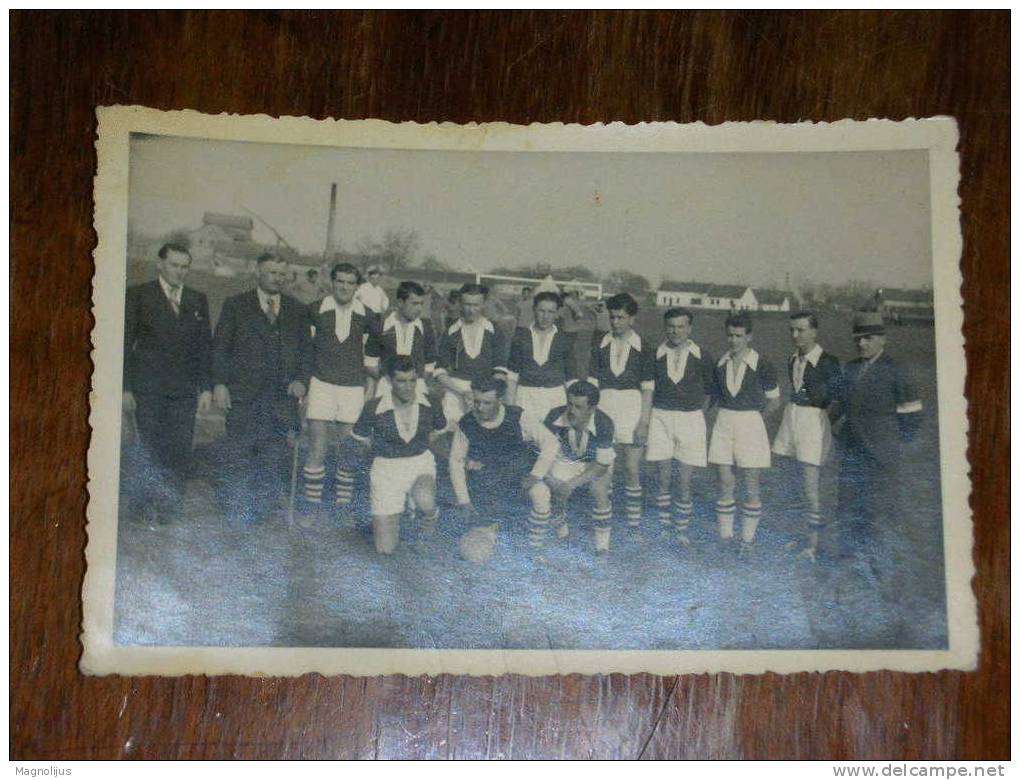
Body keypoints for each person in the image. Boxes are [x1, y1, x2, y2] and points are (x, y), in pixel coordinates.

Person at [211, 252, 313, 525]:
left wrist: (302, 380)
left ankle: (262, 510)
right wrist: (220, 383)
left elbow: (306, 353)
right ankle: (237, 509)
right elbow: (220, 348)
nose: (277, 278)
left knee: (272, 455)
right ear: (258, 272)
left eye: (282, 274)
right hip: (243, 396)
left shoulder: (297, 310)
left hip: (280, 400)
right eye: (271, 273)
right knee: (239, 453)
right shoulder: (236, 305)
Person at [122, 243, 212, 524]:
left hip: (183, 391)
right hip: (147, 389)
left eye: (185, 266)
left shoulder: (197, 299)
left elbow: (204, 348)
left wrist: (205, 388)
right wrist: (125, 388)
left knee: (178, 448)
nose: (180, 272)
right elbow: (124, 344)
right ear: (160, 264)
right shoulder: (139, 295)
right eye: (174, 265)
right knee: (147, 447)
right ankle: (140, 507)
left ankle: (168, 509)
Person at [833, 310, 923, 562]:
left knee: (879, 511)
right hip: (852, 455)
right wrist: (839, 428)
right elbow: (838, 405)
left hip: (881, 458)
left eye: (868, 338)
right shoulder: (849, 369)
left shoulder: (896, 370)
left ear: (882, 339)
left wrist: (889, 442)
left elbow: (912, 416)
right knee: (848, 507)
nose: (862, 343)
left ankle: (880, 565)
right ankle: (851, 561)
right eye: (858, 339)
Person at [449, 376, 560, 562]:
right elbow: (456, 461)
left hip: (518, 475)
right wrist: (463, 500)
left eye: (487, 403)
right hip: (486, 480)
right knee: (474, 553)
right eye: (476, 402)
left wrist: (536, 474)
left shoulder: (518, 415)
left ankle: (535, 548)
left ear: (500, 400)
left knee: (541, 494)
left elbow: (550, 442)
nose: (480, 407)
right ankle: (497, 536)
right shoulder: (467, 422)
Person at [300, 262, 378, 521]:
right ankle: (312, 506)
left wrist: (370, 390)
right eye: (340, 281)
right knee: (317, 447)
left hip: (352, 387)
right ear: (332, 283)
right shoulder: (315, 310)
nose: (344, 287)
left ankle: (343, 507)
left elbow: (371, 361)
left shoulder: (368, 316)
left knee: (348, 448)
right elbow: (306, 352)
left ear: (357, 287)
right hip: (321, 383)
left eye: (350, 283)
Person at [350, 356, 446, 554]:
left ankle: (428, 519)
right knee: (385, 549)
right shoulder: (372, 408)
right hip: (386, 469)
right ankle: (401, 510)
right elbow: (362, 441)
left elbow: (438, 432)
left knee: (424, 497)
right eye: (401, 381)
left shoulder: (432, 403)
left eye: (412, 380)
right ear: (388, 381)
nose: (408, 387)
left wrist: (415, 447)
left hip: (419, 463)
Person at [707, 313, 782, 554]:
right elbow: (716, 397)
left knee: (751, 484)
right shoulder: (721, 362)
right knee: (725, 481)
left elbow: (775, 401)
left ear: (749, 336)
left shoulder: (762, 363)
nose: (733, 340)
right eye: (730, 335)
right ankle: (726, 538)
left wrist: (756, 421)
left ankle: (747, 540)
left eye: (739, 336)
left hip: (751, 423)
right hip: (724, 421)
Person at [771, 311, 843, 561]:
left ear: (814, 331)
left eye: (801, 330)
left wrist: (825, 424)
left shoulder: (828, 361)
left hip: (814, 421)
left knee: (811, 487)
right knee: (792, 484)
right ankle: (798, 536)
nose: (795, 335)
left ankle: (813, 545)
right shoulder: (792, 358)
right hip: (791, 418)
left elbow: (838, 399)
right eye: (792, 330)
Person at [645, 307, 716, 546]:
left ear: (690, 328)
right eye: (671, 326)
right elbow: (648, 388)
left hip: (691, 419)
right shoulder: (656, 354)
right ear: (665, 327)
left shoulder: (702, 356)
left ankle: (681, 531)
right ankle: (663, 528)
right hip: (661, 417)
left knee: (684, 481)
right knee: (663, 478)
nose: (676, 331)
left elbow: (710, 392)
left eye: (681, 326)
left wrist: (695, 413)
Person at [586, 293, 654, 529]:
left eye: (621, 318)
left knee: (632, 467)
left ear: (632, 319)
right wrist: (591, 414)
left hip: (632, 407)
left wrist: (643, 422)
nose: (616, 322)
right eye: (612, 317)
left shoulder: (644, 346)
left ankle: (634, 523)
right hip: (605, 406)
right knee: (605, 467)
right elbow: (593, 382)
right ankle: (607, 517)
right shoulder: (600, 343)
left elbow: (647, 389)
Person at [543, 381, 616, 553]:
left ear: (592, 408)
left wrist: (572, 484)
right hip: (567, 460)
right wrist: (549, 478)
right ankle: (561, 533)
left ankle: (602, 546)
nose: (571, 410)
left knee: (599, 489)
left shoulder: (604, 422)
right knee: (550, 484)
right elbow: (542, 453)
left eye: (578, 406)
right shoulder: (554, 415)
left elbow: (602, 465)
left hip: (595, 463)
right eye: (569, 404)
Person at [433, 283, 508, 430]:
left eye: (476, 305)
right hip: (456, 392)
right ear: (460, 303)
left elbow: (500, 371)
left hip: (485, 394)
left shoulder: (494, 331)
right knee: (453, 436)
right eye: (467, 304)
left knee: (482, 438)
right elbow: (439, 372)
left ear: (483, 304)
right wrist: (462, 392)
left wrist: (485, 395)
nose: (471, 310)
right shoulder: (451, 331)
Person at [506, 291, 576, 425]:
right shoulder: (521, 337)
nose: (545, 316)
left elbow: (571, 377)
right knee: (526, 440)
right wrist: (510, 407)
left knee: (553, 441)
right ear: (534, 310)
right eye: (541, 311)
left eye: (550, 312)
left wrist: (572, 407)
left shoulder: (564, 339)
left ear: (556, 314)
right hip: (526, 397)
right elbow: (512, 376)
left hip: (555, 398)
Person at [368, 280, 438, 397]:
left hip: (416, 388)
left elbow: (430, 366)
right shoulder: (381, 326)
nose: (419, 309)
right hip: (386, 387)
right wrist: (389, 380)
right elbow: (370, 362)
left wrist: (413, 383)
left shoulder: (426, 328)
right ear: (400, 302)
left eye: (421, 303)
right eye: (414, 304)